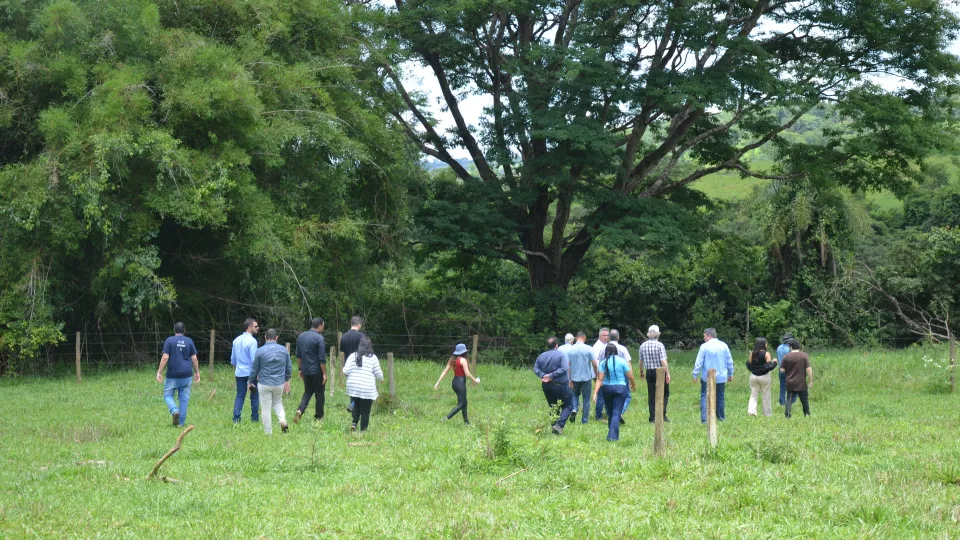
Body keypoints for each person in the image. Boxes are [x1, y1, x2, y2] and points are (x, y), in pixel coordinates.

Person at [248, 329, 293, 435]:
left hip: (264, 383)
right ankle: (283, 424)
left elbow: (255, 369)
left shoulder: (260, 351)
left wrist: (250, 381)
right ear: (276, 337)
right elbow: (289, 367)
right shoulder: (283, 350)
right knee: (277, 402)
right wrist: (286, 380)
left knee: (265, 407)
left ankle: (268, 433)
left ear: (265, 337)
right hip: (279, 383)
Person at [156, 322, 200, 427]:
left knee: (167, 395)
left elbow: (165, 357)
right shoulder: (189, 341)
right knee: (184, 399)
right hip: (187, 374)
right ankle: (181, 423)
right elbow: (194, 358)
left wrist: (159, 372)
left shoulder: (169, 340)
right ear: (184, 330)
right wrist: (197, 372)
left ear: (174, 330)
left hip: (172, 374)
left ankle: (174, 410)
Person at [591, 343, 637, 441]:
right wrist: (633, 384)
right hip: (620, 388)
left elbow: (600, 379)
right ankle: (612, 436)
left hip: (607, 389)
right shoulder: (622, 361)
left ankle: (611, 432)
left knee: (610, 411)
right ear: (616, 351)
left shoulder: (603, 362)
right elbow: (630, 376)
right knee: (616, 412)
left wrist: (595, 393)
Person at [692, 328, 734, 423]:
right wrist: (731, 373)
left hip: (707, 377)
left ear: (709, 336)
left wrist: (695, 374)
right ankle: (721, 418)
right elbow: (729, 361)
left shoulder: (704, 346)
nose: (704, 338)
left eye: (704, 336)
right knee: (720, 396)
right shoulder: (724, 346)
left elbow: (699, 362)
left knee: (704, 396)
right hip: (720, 376)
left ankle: (704, 419)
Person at [534, 337, 573, 435]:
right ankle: (559, 425)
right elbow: (564, 368)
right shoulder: (561, 355)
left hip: (547, 386)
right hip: (560, 385)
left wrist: (544, 375)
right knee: (568, 406)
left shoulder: (541, 356)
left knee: (553, 406)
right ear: (556, 345)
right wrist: (551, 375)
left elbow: (536, 369)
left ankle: (554, 427)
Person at [343, 337, 383, 432]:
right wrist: (381, 380)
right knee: (365, 411)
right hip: (367, 388)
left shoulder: (352, 356)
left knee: (356, 406)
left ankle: (354, 424)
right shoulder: (372, 357)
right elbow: (378, 373)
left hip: (353, 387)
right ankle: (363, 431)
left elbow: (345, 371)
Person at [434, 343, 480, 424]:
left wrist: (438, 382)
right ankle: (445, 419)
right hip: (460, 383)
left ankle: (467, 422)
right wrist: (475, 380)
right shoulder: (463, 360)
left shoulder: (452, 360)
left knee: (464, 402)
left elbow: (445, 371)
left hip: (454, 383)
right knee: (461, 404)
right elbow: (467, 374)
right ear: (464, 352)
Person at [294, 317, 327, 423]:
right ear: (320, 325)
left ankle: (300, 410)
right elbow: (322, 358)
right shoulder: (319, 338)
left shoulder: (301, 336)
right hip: (317, 370)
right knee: (319, 394)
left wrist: (300, 369)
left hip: (306, 370)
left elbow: (298, 356)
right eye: (323, 325)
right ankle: (319, 417)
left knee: (308, 391)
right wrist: (325, 374)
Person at [638, 325, 671, 423]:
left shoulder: (642, 345)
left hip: (649, 372)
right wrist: (668, 373)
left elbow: (640, 361)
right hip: (660, 371)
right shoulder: (660, 345)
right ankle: (662, 414)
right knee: (664, 393)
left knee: (652, 395)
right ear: (657, 335)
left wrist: (641, 372)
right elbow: (663, 361)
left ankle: (652, 417)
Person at [231, 318, 260, 424]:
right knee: (254, 396)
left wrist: (236, 371)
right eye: (255, 326)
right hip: (250, 373)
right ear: (249, 327)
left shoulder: (236, 340)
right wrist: (256, 374)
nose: (258, 328)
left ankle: (236, 419)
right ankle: (255, 419)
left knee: (240, 396)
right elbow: (254, 360)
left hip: (239, 373)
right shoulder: (252, 341)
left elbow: (233, 360)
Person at [567, 332, 597, 424]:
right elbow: (594, 363)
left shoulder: (570, 350)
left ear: (576, 338)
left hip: (574, 377)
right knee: (586, 399)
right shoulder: (589, 348)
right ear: (584, 337)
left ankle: (575, 409)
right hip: (586, 377)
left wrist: (569, 378)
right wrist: (596, 374)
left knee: (574, 394)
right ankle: (584, 420)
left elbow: (568, 365)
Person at [781, 339, 813, 418]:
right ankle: (807, 414)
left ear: (791, 347)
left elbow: (782, 370)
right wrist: (811, 381)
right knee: (804, 400)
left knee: (789, 399)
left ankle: (787, 415)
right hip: (801, 383)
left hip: (790, 383)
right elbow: (808, 369)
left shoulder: (786, 356)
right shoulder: (804, 355)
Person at [339, 316, 365, 413]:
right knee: (360, 386)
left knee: (352, 386)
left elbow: (342, 354)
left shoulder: (343, 337)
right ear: (358, 325)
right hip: (359, 364)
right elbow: (364, 351)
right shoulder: (361, 336)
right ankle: (354, 405)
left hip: (348, 365)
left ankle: (353, 405)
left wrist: (344, 366)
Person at [746, 337, 777, 417]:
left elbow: (748, 365)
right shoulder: (767, 354)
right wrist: (775, 363)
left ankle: (752, 412)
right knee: (766, 395)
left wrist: (755, 370)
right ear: (764, 344)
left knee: (753, 395)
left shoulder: (752, 353)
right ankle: (767, 414)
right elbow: (768, 367)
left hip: (753, 377)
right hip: (764, 377)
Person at [607, 329, 633, 419]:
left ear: (609, 337)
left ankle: (611, 413)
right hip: (622, 375)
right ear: (618, 337)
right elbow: (628, 364)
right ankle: (620, 412)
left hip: (608, 374)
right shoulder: (623, 348)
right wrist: (630, 378)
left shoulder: (604, 348)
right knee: (627, 395)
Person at [591, 328, 610, 421]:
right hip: (600, 373)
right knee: (601, 395)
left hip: (606, 373)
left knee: (606, 394)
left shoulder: (606, 345)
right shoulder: (597, 346)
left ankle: (607, 413)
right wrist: (598, 376)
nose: (606, 337)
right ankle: (598, 415)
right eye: (604, 335)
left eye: (607, 335)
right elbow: (595, 362)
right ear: (599, 336)